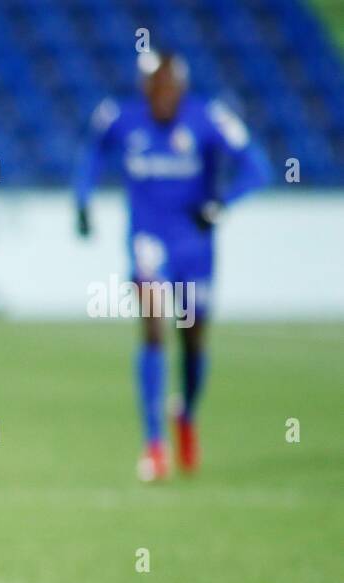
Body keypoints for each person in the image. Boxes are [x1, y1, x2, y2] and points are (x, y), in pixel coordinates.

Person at [74, 51, 269, 480]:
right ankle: (154, 443)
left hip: (195, 247)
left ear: (181, 88)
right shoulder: (120, 118)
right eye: (153, 88)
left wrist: (221, 204)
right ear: (144, 89)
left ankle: (185, 414)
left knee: (194, 340)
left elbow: (258, 167)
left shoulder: (209, 118)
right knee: (153, 323)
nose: (161, 97)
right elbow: (91, 154)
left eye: (168, 88)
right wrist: (83, 199)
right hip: (148, 241)